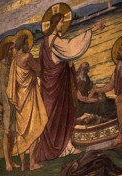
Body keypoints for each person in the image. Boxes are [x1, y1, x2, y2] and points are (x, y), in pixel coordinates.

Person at [33, 5, 101, 163]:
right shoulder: (55, 40)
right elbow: (71, 48)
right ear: (55, 23)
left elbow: (46, 65)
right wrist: (92, 30)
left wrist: (66, 64)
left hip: (49, 85)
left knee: (53, 115)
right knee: (61, 114)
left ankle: (64, 146)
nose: (63, 25)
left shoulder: (44, 43)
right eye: (61, 22)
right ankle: (63, 147)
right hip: (57, 85)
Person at [6, 30, 48, 171]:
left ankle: (23, 164)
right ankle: (32, 163)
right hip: (30, 97)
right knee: (35, 128)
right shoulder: (27, 56)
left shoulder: (14, 61)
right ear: (25, 44)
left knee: (22, 132)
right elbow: (38, 69)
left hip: (20, 100)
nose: (29, 46)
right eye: (28, 43)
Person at [0, 36, 16, 171]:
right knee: (7, 132)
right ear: (6, 50)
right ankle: (7, 162)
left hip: (14, 101)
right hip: (5, 102)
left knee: (13, 132)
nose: (13, 51)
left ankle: (12, 160)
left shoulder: (13, 64)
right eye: (12, 49)